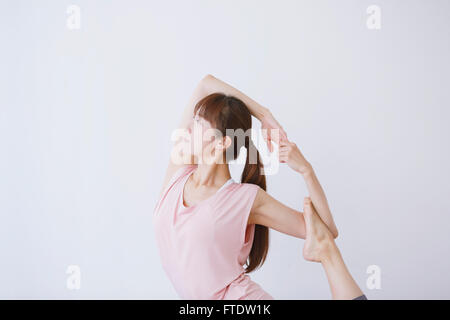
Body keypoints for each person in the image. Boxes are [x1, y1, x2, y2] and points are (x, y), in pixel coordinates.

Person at [153, 74, 366, 300]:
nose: (187, 129)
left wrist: (307, 171)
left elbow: (326, 231)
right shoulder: (179, 174)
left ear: (221, 142)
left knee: (327, 247)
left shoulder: (244, 199)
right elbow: (205, 83)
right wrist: (264, 115)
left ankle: (331, 260)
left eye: (198, 124)